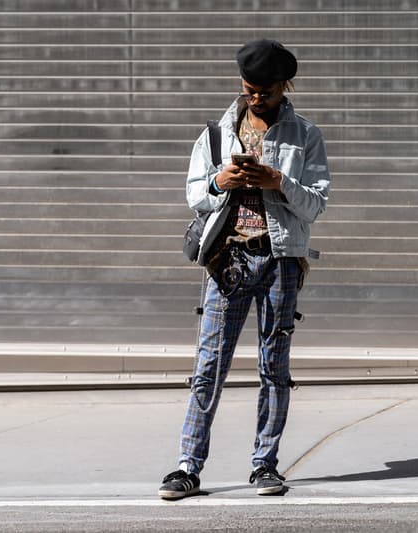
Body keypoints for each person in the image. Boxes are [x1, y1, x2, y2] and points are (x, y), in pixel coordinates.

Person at [159, 39, 331, 499]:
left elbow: (316, 205)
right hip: (228, 260)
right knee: (209, 364)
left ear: (284, 86)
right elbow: (195, 195)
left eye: (266, 91)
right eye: (249, 88)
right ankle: (187, 467)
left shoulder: (306, 135)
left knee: (273, 365)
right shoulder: (216, 134)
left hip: (280, 260)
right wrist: (221, 180)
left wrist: (279, 181)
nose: (256, 97)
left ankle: (265, 464)